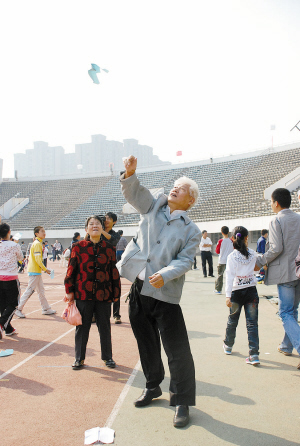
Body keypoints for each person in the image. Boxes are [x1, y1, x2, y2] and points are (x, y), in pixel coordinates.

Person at [117, 155, 201, 428]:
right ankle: (153, 386)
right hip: (139, 289)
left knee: (177, 350)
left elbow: (185, 261)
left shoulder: (192, 231)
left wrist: (164, 275)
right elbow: (135, 194)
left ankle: (182, 401)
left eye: (183, 188)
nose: (175, 188)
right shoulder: (153, 206)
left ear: (190, 201)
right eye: (175, 185)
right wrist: (130, 174)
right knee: (146, 342)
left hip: (164, 294)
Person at [64, 215, 121, 370]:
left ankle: (107, 357)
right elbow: (71, 270)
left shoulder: (109, 248)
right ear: (86, 229)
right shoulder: (78, 246)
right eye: (91, 224)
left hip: (104, 294)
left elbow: (113, 272)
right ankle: (79, 358)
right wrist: (69, 291)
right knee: (82, 327)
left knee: (105, 326)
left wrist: (116, 293)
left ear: (102, 228)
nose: (95, 225)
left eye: (98, 224)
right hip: (83, 293)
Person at [256, 188, 300, 370]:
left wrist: (259, 260)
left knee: (285, 312)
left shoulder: (276, 220)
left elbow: (276, 248)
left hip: (286, 273)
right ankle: (286, 346)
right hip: (299, 270)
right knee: (293, 311)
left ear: (276, 203)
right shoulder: (299, 218)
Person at [223, 226, 260, 365]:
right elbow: (258, 267)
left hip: (236, 292)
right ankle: (254, 354)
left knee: (233, 320)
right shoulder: (252, 253)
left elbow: (230, 277)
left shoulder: (232, 256)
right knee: (252, 324)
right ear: (246, 238)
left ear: (233, 238)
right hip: (251, 291)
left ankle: (228, 345)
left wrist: (227, 296)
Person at [15, 226, 57, 318]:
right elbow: (38, 259)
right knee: (30, 290)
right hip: (34, 271)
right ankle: (18, 308)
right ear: (36, 233)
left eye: (44, 231)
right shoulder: (37, 244)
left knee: (41, 291)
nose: (44, 233)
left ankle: (45, 308)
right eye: (42, 231)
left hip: (36, 271)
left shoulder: (37, 243)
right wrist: (45, 269)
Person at [0, 223, 24, 338]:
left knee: (2, 304)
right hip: (11, 278)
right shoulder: (14, 245)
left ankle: (8, 328)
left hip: (0, 278)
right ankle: (1, 324)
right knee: (14, 303)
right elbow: (21, 258)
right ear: (9, 232)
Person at [101, 212, 122, 324]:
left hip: (111, 265)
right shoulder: (97, 231)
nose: (106, 220)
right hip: (99, 265)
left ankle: (116, 315)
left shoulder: (116, 234)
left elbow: (113, 241)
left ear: (114, 222)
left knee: (116, 289)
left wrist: (101, 230)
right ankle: (95, 314)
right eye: (105, 218)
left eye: (109, 218)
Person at [214, 226, 233, 294]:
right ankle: (231, 289)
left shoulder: (220, 241)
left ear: (222, 232)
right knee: (231, 275)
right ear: (228, 232)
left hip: (222, 260)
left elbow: (217, 251)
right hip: (230, 260)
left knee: (220, 275)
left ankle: (218, 289)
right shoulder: (231, 241)